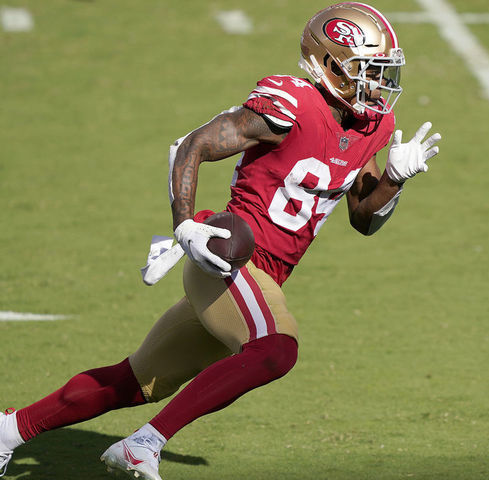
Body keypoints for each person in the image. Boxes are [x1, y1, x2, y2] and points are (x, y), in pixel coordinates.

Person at [0, 3, 441, 479]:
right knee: (276, 348)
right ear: (331, 64)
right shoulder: (291, 103)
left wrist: (395, 178)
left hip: (262, 278)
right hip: (226, 255)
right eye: (366, 72)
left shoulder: (372, 125)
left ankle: (9, 430)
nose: (377, 85)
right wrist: (185, 226)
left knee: (133, 382)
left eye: (383, 73)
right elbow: (192, 146)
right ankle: (145, 444)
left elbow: (363, 218)